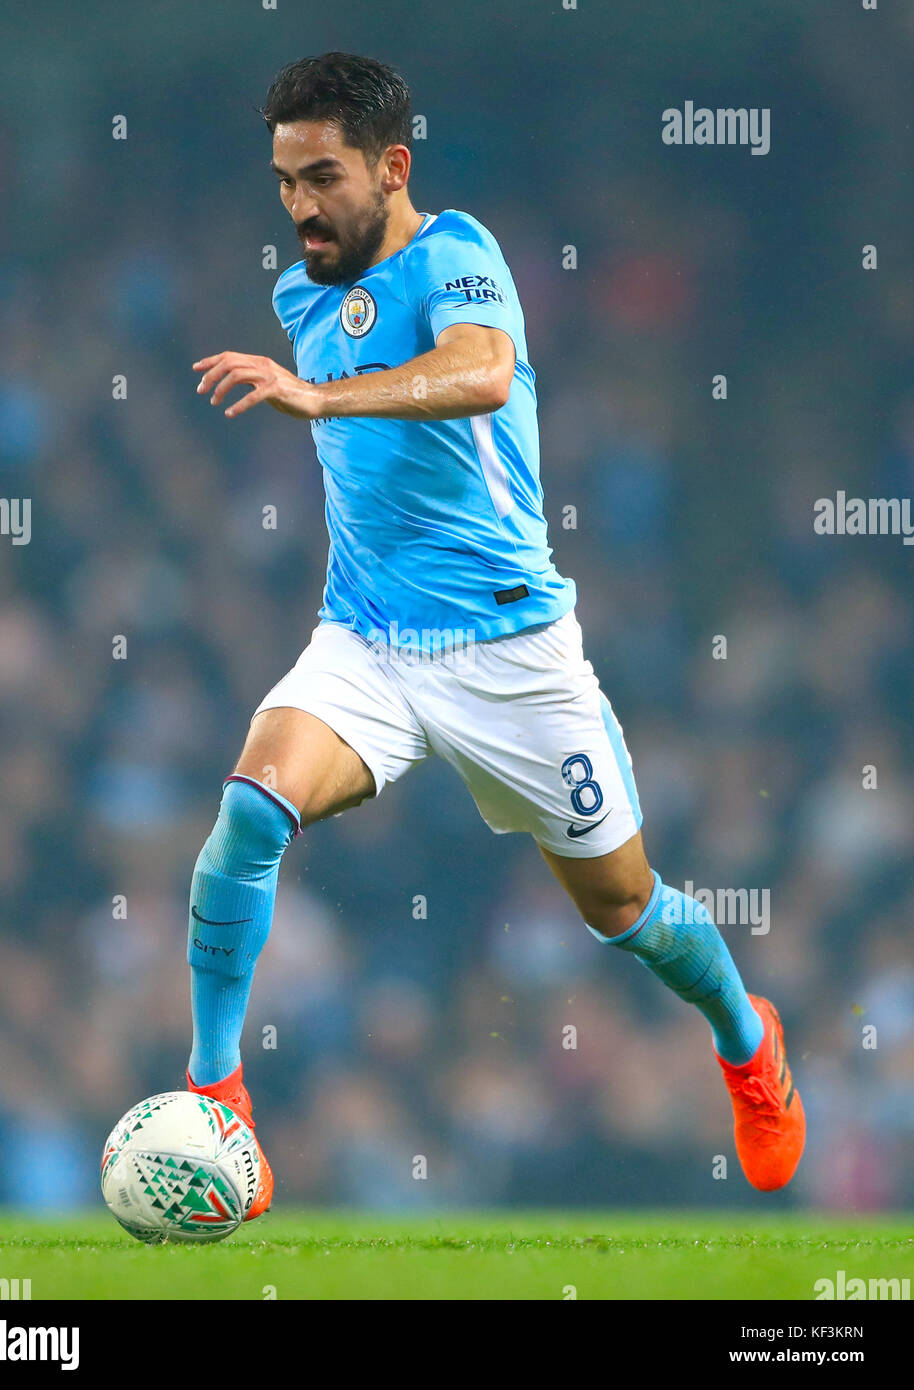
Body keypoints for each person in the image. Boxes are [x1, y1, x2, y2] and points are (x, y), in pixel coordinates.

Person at [185, 52, 805, 1219]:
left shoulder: (456, 254)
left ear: (391, 166)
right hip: (364, 640)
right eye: (283, 181)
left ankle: (744, 1035)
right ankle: (218, 1095)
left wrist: (324, 397)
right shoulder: (298, 295)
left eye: (322, 176)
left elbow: (480, 373)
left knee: (621, 908)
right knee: (246, 814)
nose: (301, 206)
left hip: (510, 656)